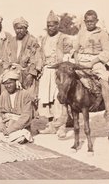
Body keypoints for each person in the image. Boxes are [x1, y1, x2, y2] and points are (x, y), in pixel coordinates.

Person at [73, 10, 109, 126]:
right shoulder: (81, 33)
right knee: (65, 78)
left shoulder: (102, 34)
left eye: (92, 21)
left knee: (104, 80)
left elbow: (106, 52)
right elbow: (75, 50)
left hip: (96, 60)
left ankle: (108, 111)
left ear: (96, 21)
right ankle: (66, 115)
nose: (89, 23)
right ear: (84, 21)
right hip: (80, 60)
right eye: (87, 21)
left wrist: (92, 63)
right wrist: (76, 62)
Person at [37, 10, 71, 138]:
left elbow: (68, 54)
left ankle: (61, 126)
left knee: (59, 99)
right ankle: (51, 126)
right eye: (48, 25)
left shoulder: (63, 38)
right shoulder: (44, 39)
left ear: (57, 25)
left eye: (53, 25)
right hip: (47, 71)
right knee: (47, 100)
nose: (50, 27)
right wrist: (39, 68)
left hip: (59, 71)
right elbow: (41, 55)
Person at [0, 66, 35, 143]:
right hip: (5, 124)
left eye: (10, 83)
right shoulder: (4, 94)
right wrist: (0, 123)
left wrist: (11, 129)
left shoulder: (25, 94)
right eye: (5, 84)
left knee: (21, 135)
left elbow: (26, 116)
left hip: (19, 126)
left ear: (16, 82)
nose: (8, 86)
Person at [12, 16, 43, 91]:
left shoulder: (32, 41)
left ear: (26, 29)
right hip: (14, 74)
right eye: (17, 28)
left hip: (27, 74)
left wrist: (31, 74)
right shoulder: (11, 41)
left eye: (21, 28)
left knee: (28, 97)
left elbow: (37, 59)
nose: (19, 31)